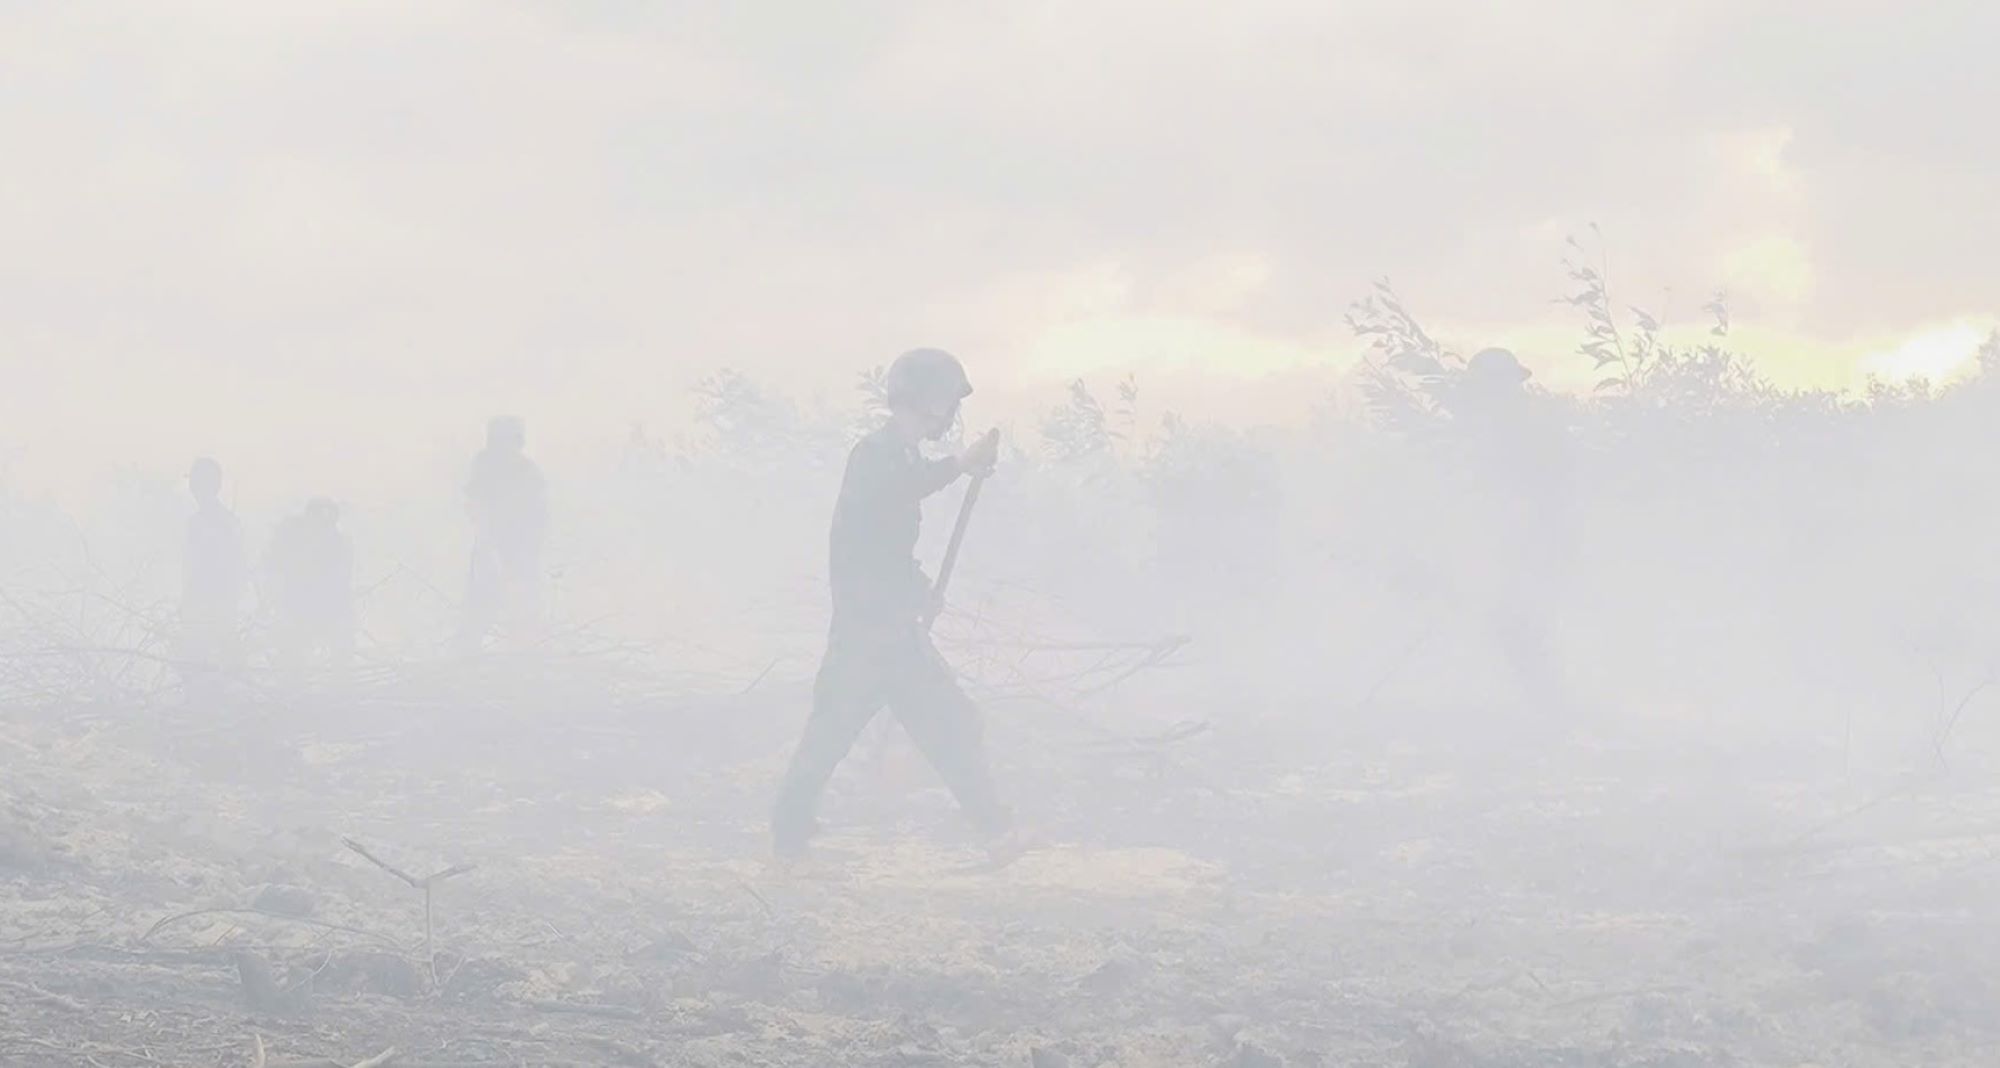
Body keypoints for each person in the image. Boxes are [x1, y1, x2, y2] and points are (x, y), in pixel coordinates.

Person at [771, 348, 1016, 864]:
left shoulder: (901, 456)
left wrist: (919, 591)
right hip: (869, 630)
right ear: (930, 401)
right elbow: (894, 498)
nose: (950, 414)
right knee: (841, 729)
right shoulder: (874, 455)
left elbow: (887, 545)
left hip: (885, 627)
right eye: (949, 401)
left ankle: (995, 829)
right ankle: (788, 837)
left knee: (945, 723)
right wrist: (960, 465)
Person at [1443, 348, 1576, 720]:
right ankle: (1546, 707)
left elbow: (1544, 492)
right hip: (1518, 544)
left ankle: (1552, 709)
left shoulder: (1527, 431)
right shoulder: (1497, 430)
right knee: (1513, 625)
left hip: (1537, 544)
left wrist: (1525, 538)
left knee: (1519, 624)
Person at [457, 416, 547, 652]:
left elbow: (537, 516)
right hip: (490, 549)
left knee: (520, 609)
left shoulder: (527, 472)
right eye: (497, 439)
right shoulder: (484, 464)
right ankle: (469, 653)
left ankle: (520, 656)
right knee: (479, 606)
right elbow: (474, 503)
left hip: (518, 552)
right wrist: (486, 540)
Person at [264, 498, 355, 681]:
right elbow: (276, 567)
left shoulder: (335, 543)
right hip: (298, 607)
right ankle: (294, 680)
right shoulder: (295, 539)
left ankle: (338, 682)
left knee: (338, 644)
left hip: (323, 607)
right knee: (294, 648)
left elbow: (341, 580)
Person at [178, 458, 248, 684]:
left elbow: (231, 567)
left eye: (199, 483)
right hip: (206, 606)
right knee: (202, 664)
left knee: (209, 663)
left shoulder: (218, 523)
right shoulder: (216, 522)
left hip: (213, 607)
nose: (195, 490)